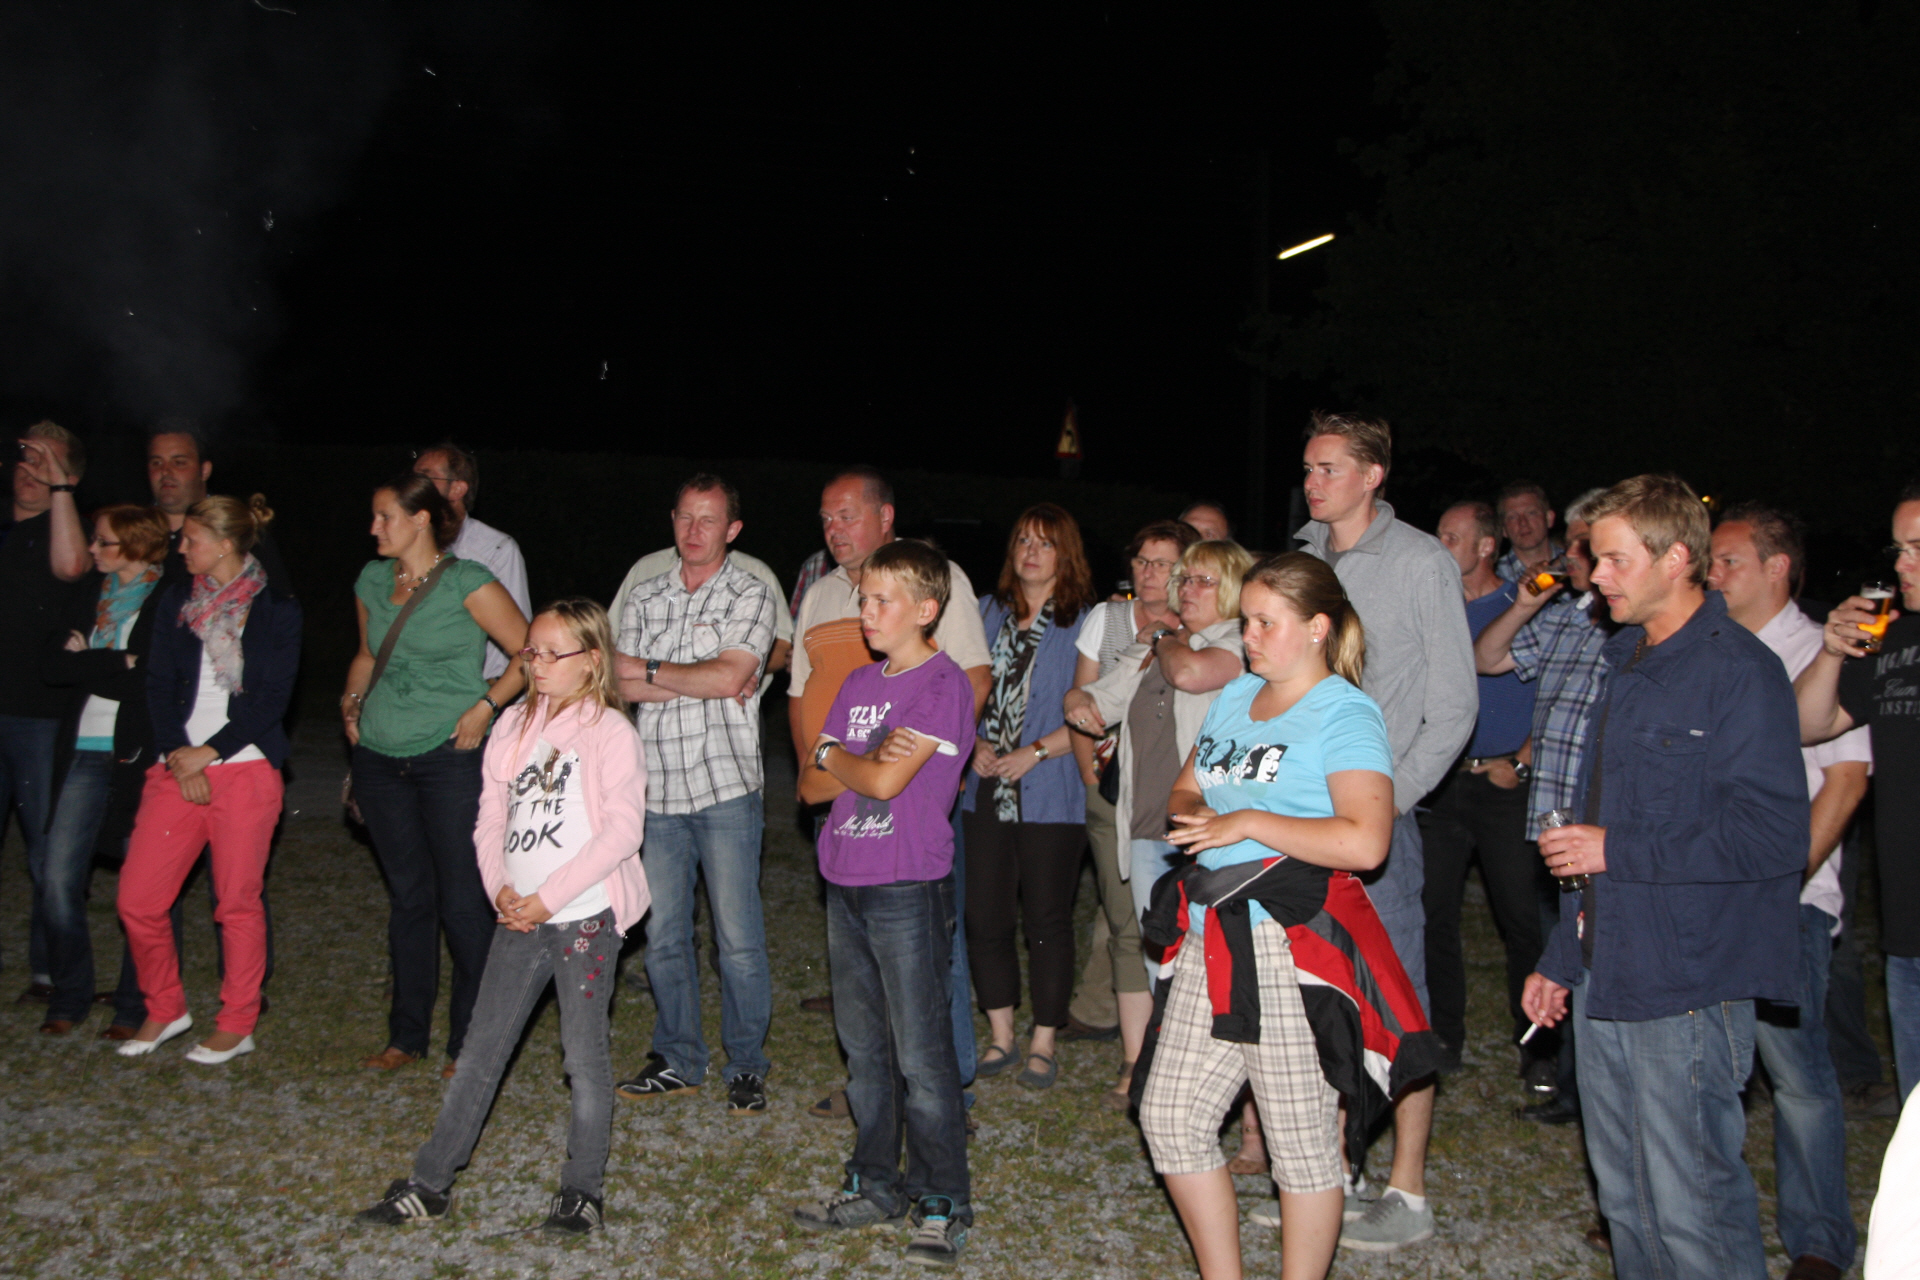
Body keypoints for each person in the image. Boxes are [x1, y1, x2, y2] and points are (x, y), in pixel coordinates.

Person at [1522, 474, 1809, 1280]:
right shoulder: (1625, 660)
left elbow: (1773, 836)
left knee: (1693, 1210)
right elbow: (1591, 830)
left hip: (1687, 980)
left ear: (1676, 559)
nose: (1595, 576)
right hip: (1609, 970)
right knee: (1626, 1201)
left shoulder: (1738, 671)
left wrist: (1620, 850)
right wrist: (1561, 957)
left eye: (1614, 559)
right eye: (1594, 557)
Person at [1141, 552, 1403, 1280]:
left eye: (1264, 623)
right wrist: (1198, 816)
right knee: (1170, 1116)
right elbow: (1186, 788)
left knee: (1299, 1140)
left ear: (1318, 627)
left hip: (1292, 944)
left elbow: (1366, 841)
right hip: (1215, 933)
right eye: (1246, 621)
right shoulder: (1237, 695)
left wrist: (1249, 821)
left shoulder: (1344, 712)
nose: (1248, 636)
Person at [357, 600, 648, 1235]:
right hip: (519, 918)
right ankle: (431, 1183)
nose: (536, 665)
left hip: (583, 920)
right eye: (530, 652)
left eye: (552, 654)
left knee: (583, 1059)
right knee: (480, 1050)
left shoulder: (610, 733)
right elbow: (491, 815)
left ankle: (582, 1190)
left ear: (591, 660)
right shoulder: (512, 724)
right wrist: (500, 889)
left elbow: (623, 832)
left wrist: (551, 897)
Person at [1295, 412, 1477, 1250]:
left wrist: (1392, 799)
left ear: (1373, 476)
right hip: (1300, 816)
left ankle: (1408, 1191)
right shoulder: (1305, 554)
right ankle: (1330, 1178)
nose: (1312, 482)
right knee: (1315, 996)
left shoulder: (1419, 563)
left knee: (1395, 1000)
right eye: (1308, 468)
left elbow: (1455, 706)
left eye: (1329, 468)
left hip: (1377, 826)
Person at [791, 539, 975, 1268]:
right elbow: (810, 785)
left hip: (906, 883)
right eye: (862, 598)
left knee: (921, 1054)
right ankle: (874, 1182)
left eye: (880, 600)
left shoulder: (942, 684)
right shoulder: (859, 682)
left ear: (926, 609)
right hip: (845, 877)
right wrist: (851, 761)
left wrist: (842, 759)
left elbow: (887, 783)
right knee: (865, 1050)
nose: (865, 612)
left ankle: (942, 1199)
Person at [788, 467, 989, 1115]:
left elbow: (972, 679)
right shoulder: (820, 594)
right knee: (863, 972)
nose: (834, 529)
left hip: (909, 802)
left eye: (847, 515)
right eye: (826, 518)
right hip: (840, 796)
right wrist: (825, 765)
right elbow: (800, 694)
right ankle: (874, 1094)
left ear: (885, 518)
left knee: (925, 959)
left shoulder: (935, 577)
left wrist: (933, 765)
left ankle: (945, 1090)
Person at [1710, 503, 1868, 1280]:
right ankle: (1700, 1216)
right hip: (1709, 891)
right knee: (1709, 1066)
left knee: (1798, 1075)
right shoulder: (1715, 647)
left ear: (1777, 567)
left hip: (1786, 899)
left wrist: (1782, 882)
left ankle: (1818, 1240)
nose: (1712, 573)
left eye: (1728, 560)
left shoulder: (1821, 651)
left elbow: (1845, 782)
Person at [344, 474, 530, 1076]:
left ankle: (469, 1042)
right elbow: (368, 654)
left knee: (463, 898)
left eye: (385, 517)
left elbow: (530, 653)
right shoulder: (372, 580)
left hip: (449, 756)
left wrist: (485, 706)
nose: (374, 528)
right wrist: (352, 701)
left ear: (421, 519)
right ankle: (406, 1036)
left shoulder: (467, 581)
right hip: (379, 756)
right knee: (408, 897)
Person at [608, 475, 780, 1113]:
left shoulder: (751, 593)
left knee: (737, 938)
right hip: (653, 792)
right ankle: (678, 1057)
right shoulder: (645, 595)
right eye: (685, 517)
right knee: (663, 935)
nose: (693, 530)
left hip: (725, 786)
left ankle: (747, 1065)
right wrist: (700, 677)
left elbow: (732, 676)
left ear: (732, 529)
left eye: (708, 520)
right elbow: (616, 683)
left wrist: (654, 671)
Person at [116, 495, 302, 1064]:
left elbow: (271, 699)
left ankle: (238, 1022)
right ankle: (165, 1007)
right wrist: (180, 755)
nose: (180, 547)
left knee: (236, 903)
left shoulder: (276, 608)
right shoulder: (178, 601)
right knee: (138, 899)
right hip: (176, 766)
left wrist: (211, 752)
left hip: (245, 771)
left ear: (225, 544)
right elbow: (156, 684)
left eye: (191, 539)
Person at [1471, 487, 1611, 1128]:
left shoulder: (1629, 627)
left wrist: (1519, 760)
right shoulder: (1565, 615)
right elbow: (1487, 657)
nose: (1572, 554)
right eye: (1576, 543)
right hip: (1552, 812)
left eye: (1585, 544)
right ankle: (1574, 1087)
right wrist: (1525, 604)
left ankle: (1593, 1094)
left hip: (1600, 822)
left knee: (1596, 949)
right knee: (1565, 947)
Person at [1062, 519, 1200, 1088]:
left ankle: (1182, 1055)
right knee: (1131, 926)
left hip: (1188, 803)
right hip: (1121, 794)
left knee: (1189, 932)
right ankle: (1137, 1059)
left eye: (1163, 563)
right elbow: (1087, 698)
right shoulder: (1115, 621)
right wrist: (1090, 777)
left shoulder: (1209, 631)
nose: (1149, 573)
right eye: (1142, 561)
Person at [961, 503, 1094, 1092]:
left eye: (1045, 543)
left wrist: (1035, 752)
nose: (1031, 552)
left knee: (1045, 917)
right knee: (984, 913)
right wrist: (972, 744)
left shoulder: (1086, 623)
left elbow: (1098, 710)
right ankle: (1001, 1033)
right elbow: (954, 690)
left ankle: (1043, 1039)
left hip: (1051, 790)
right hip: (985, 788)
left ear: (1066, 554)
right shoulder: (985, 613)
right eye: (1022, 541)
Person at [1795, 479, 1920, 1105]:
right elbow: (1807, 725)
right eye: (1899, 549)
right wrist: (1832, 651)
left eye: (1918, 548)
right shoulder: (1894, 640)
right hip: (1908, 927)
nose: (1901, 566)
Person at [1421, 501, 1546, 1085]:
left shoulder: (1528, 603)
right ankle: (1444, 1035)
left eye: (1451, 537)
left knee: (1521, 919)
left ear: (1486, 546)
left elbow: (1559, 694)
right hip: (1446, 781)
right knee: (1434, 913)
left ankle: (1539, 1048)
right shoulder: (1435, 607)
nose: (1439, 545)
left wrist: (1521, 763)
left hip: (1504, 785)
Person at [35, 504, 170, 1037]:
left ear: (135, 545)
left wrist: (86, 663)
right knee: (56, 877)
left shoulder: (166, 598)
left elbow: (151, 679)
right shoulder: (89, 595)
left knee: (143, 884)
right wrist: (117, 660)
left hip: (137, 752)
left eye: (102, 542)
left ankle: (135, 1004)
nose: (91, 549)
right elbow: (52, 667)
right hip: (82, 750)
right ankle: (71, 993)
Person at [2, 422, 90, 1003]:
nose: (31, 469)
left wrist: (60, 490)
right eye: (26, 458)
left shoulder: (68, 532)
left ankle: (48, 971)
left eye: (47, 462)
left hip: (39, 714)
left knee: (44, 852)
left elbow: (71, 568)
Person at [412, 442, 532, 680]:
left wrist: (492, 694)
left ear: (457, 489)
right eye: (412, 478)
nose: (413, 487)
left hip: (475, 690)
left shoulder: (496, 549)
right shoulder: (408, 541)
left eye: (425, 478)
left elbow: (521, 644)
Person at [1494, 481, 1560, 582]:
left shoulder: (1574, 565)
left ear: (1549, 518)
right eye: (1512, 517)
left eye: (1531, 513)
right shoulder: (1495, 579)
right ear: (1503, 529)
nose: (1523, 522)